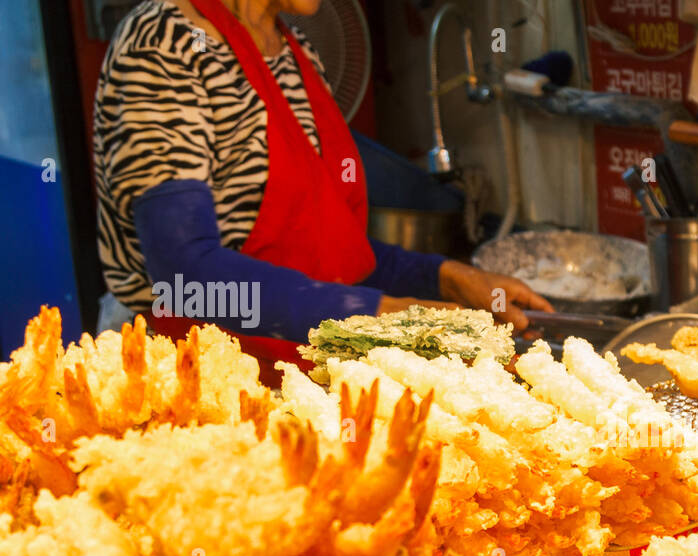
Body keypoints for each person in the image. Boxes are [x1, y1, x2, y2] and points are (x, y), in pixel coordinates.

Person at [94, 0, 550, 373]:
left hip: (297, 365)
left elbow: (326, 251)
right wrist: (392, 317)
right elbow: (183, 279)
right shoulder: (162, 45)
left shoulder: (297, 53)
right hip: (190, 376)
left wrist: (447, 279)